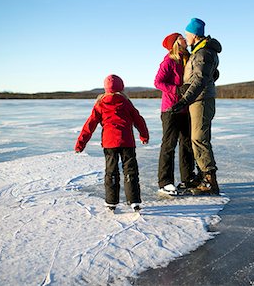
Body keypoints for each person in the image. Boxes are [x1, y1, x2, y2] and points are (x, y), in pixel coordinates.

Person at [75, 74, 149, 211]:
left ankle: (111, 201)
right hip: (127, 142)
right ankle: (134, 201)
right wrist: (144, 135)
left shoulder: (100, 104)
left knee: (111, 172)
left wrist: (80, 144)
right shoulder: (126, 103)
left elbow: (89, 125)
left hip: (110, 144)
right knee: (130, 172)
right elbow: (139, 120)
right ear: (121, 87)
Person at [170, 18, 222, 195]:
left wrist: (184, 99)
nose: (186, 37)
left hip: (201, 100)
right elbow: (208, 75)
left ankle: (209, 180)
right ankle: (203, 175)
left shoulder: (203, 53)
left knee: (199, 139)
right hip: (199, 99)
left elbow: (200, 79)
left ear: (194, 35)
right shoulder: (201, 51)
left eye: (187, 34)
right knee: (198, 138)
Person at [154, 33, 197, 195]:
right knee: (169, 145)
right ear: (175, 43)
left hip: (185, 108)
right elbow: (158, 82)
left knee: (186, 144)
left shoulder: (188, 59)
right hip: (170, 109)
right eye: (181, 38)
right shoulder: (169, 62)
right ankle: (165, 182)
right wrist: (177, 90)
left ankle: (187, 178)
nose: (185, 39)